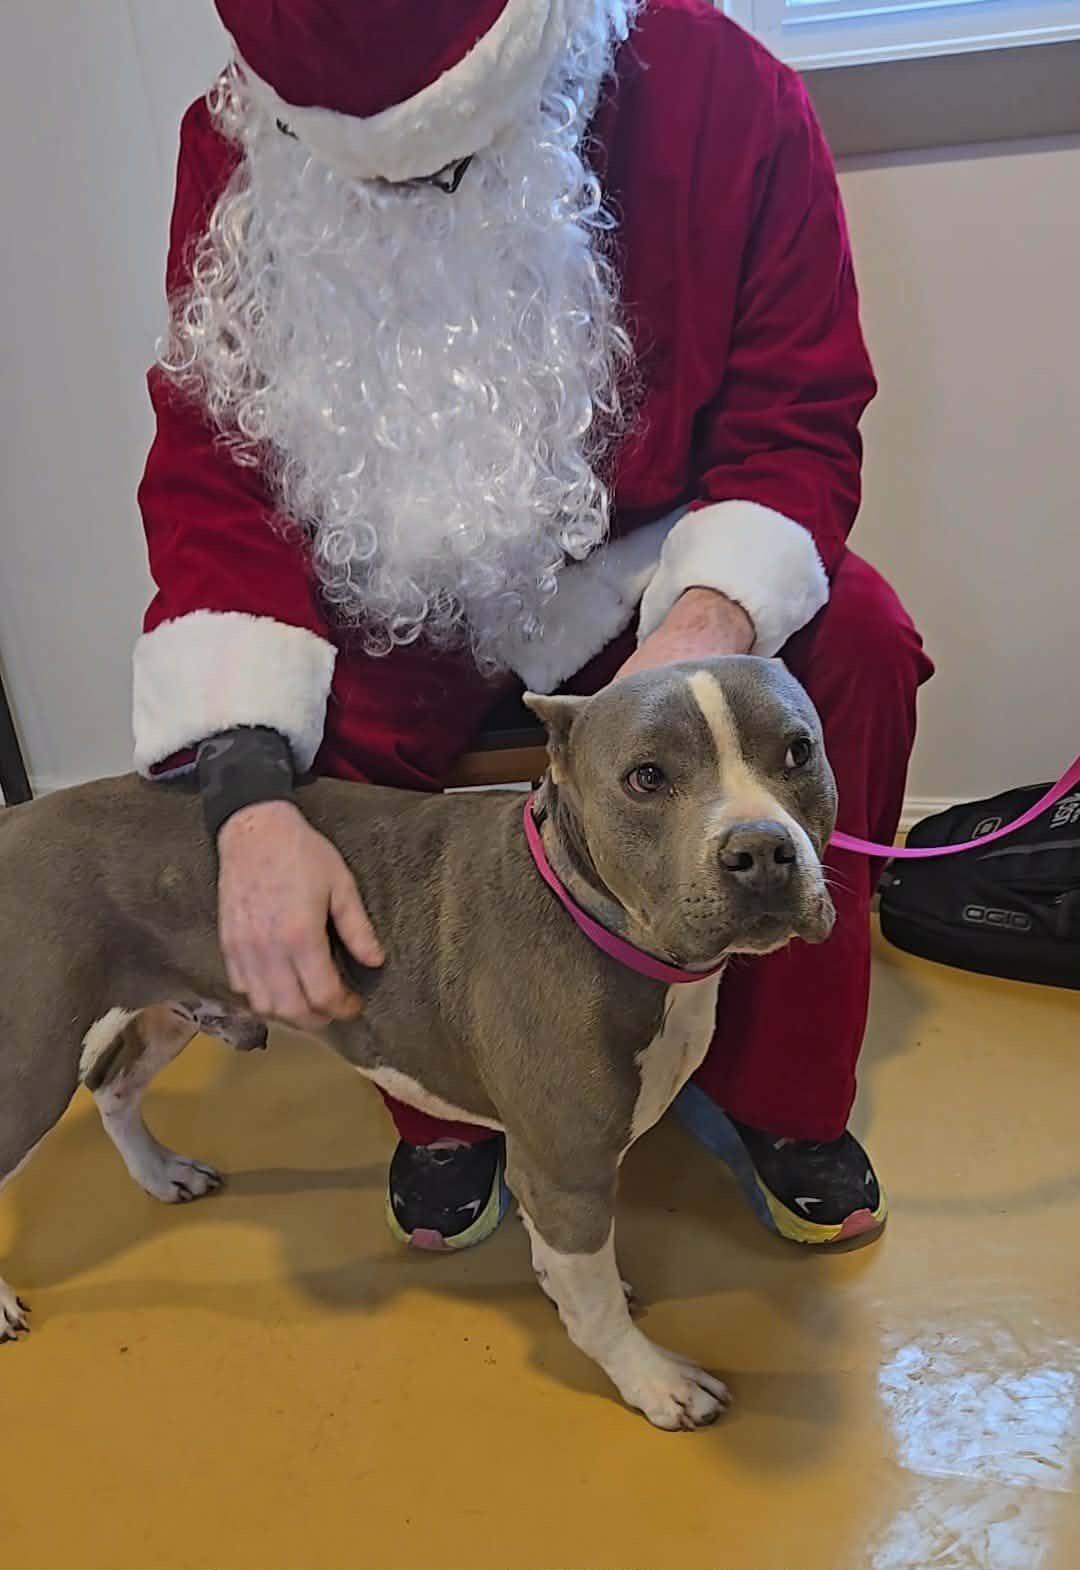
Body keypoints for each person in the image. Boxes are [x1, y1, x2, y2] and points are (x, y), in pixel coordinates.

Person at [134, 0, 933, 1252]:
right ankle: (442, 1095)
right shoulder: (229, 137)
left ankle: (778, 1093)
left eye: (446, 158)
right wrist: (244, 799)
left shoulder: (721, 91)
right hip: (392, 598)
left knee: (861, 646)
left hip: (648, 565)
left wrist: (706, 622)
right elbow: (212, 471)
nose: (406, 198)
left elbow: (799, 409)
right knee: (311, 741)